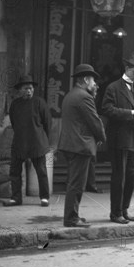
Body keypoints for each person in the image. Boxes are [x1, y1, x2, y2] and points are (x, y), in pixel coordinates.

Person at [102, 51, 134, 224]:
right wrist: (130, 113)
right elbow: (106, 109)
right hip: (120, 139)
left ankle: (124, 209)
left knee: (131, 176)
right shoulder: (113, 87)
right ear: (127, 68)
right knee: (119, 176)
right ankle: (115, 213)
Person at [58, 64, 106, 228]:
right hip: (80, 146)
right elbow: (95, 121)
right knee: (77, 184)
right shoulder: (84, 96)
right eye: (93, 80)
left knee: (74, 182)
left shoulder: (71, 95)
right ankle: (71, 218)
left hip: (71, 144)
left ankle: (73, 215)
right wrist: (101, 137)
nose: (94, 84)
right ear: (85, 79)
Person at [3, 75, 51, 207]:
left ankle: (44, 197)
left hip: (37, 142)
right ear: (20, 90)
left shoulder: (40, 103)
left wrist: (44, 140)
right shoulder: (15, 105)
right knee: (15, 172)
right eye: (25, 88)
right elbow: (14, 122)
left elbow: (47, 123)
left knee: (41, 171)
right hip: (20, 142)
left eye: (30, 88)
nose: (29, 91)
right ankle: (16, 198)